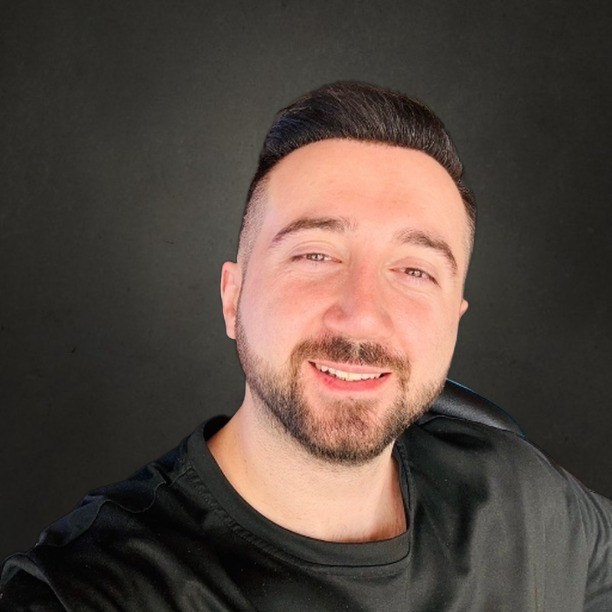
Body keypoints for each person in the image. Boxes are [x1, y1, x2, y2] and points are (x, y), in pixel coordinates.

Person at [1, 82, 610, 611]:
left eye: (415, 270)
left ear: (455, 319)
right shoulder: (94, 590)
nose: (362, 316)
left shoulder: (526, 497)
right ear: (233, 298)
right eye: (316, 255)